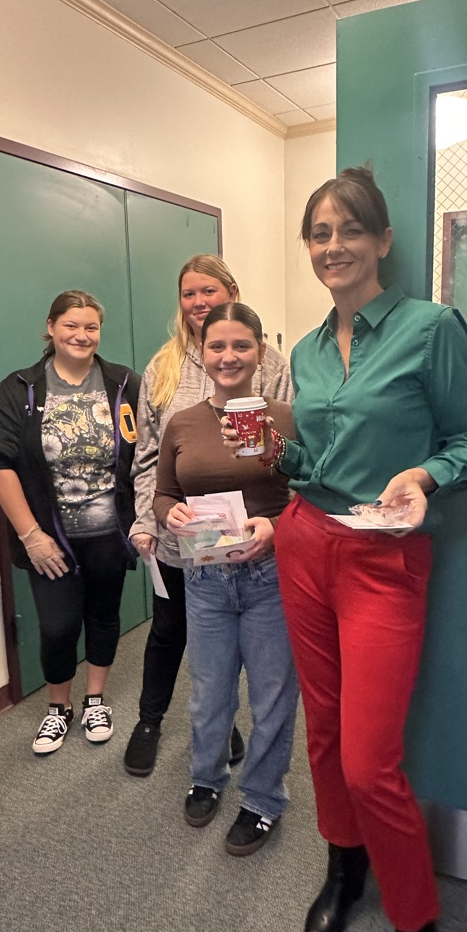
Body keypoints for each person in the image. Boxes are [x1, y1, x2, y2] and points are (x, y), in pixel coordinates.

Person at [232, 169, 467, 932]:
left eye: (349, 231)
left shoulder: (429, 327)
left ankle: (415, 920)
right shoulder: (303, 352)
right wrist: (277, 462)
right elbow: (314, 461)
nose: (332, 246)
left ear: (382, 242)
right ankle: (343, 864)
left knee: (367, 757)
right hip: (306, 540)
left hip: (385, 555)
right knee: (324, 731)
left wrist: (422, 476)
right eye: (319, 233)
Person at [124, 255, 293, 777]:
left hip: (258, 546)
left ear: (231, 292)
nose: (198, 301)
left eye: (208, 291)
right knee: (177, 635)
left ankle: (237, 743)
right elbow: (150, 458)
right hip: (187, 543)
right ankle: (151, 723)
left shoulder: (270, 364)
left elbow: (289, 454)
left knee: (258, 666)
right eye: (188, 293)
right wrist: (148, 519)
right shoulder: (163, 365)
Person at [153, 301, 299, 856]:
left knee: (272, 697)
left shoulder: (284, 418)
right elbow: (163, 492)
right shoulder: (183, 423)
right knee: (209, 694)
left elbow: (310, 491)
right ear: (202, 352)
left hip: (270, 577)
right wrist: (171, 514)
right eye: (217, 346)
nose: (229, 356)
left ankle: (262, 798)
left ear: (260, 352)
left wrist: (277, 525)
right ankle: (207, 778)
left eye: (242, 345)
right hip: (206, 578)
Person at [0, 290, 140, 755]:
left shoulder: (123, 383)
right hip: (51, 539)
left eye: (91, 327)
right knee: (58, 627)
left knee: (104, 617)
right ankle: (57, 708)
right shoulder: (21, 388)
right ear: (50, 328)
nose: (81, 335)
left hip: (110, 533)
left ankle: (94, 700)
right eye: (71, 325)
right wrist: (32, 537)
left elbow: (144, 450)